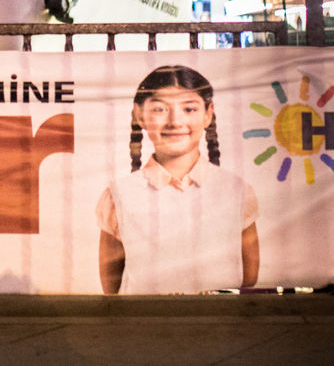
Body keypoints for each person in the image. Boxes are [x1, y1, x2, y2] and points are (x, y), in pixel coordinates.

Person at [96, 64, 260, 293]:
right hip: (143, 316)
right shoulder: (119, 195)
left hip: (220, 315)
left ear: (208, 114)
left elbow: (249, 276)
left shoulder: (236, 190)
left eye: (189, 109)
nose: (175, 121)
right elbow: (111, 285)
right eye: (160, 109)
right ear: (139, 114)